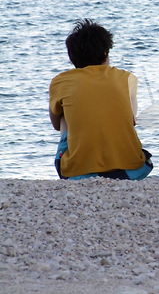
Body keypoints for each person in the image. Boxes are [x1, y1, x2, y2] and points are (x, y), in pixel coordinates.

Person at [49, 19, 153, 180]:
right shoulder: (128, 78)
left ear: (72, 57)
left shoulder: (60, 81)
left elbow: (56, 125)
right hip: (129, 170)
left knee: (63, 114)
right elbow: (131, 120)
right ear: (105, 52)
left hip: (78, 173)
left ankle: (82, 160)